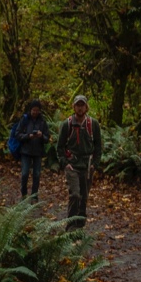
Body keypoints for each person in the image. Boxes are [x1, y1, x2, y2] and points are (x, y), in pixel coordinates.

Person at [57, 95, 102, 225]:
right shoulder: (67, 124)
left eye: (82, 105)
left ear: (86, 107)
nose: (80, 108)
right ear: (74, 106)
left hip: (87, 166)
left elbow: (98, 146)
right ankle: (70, 226)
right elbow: (60, 147)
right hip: (72, 165)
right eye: (78, 105)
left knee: (84, 197)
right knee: (75, 195)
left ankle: (80, 226)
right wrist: (65, 163)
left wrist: (95, 164)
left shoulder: (93, 124)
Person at [9, 99, 50, 200]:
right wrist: (28, 136)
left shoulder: (42, 121)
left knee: (36, 174)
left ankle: (34, 196)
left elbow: (47, 137)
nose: (35, 112)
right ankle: (24, 195)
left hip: (38, 152)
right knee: (25, 173)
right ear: (30, 110)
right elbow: (17, 134)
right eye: (33, 110)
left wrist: (41, 136)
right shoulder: (25, 119)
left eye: (37, 110)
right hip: (25, 151)